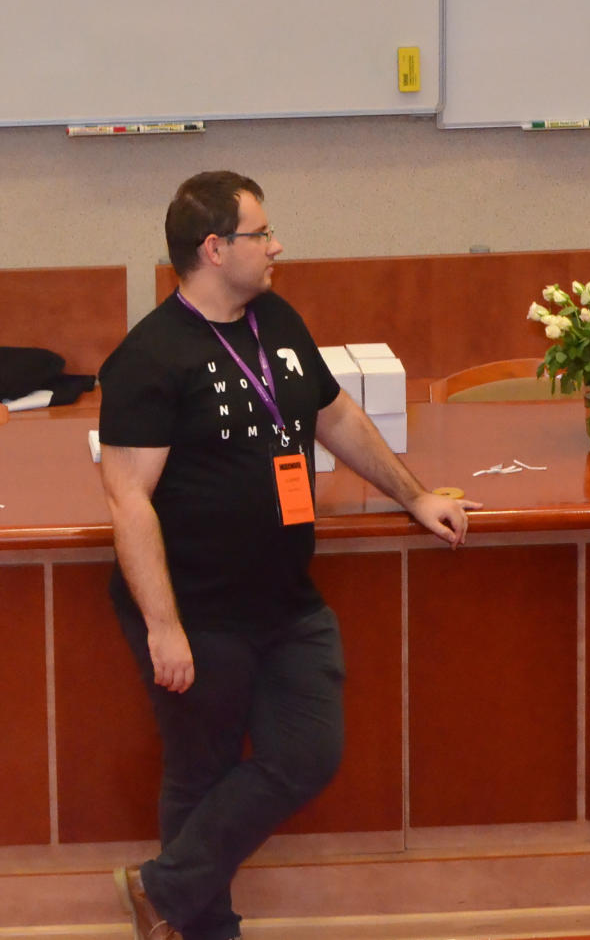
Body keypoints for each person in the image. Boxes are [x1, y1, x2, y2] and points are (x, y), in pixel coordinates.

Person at [98, 171, 477, 940]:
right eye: (261, 233)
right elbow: (128, 498)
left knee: (308, 750)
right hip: (198, 607)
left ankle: (161, 888)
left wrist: (413, 495)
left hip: (284, 599)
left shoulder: (277, 320)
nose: (277, 245)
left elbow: (336, 417)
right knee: (200, 768)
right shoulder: (150, 356)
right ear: (214, 248)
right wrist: (163, 625)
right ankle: (206, 925)